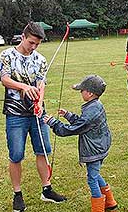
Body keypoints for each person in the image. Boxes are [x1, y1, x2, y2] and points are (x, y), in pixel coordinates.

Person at [0, 22, 66, 212]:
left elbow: (41, 84)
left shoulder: (40, 60)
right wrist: (24, 87)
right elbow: (5, 79)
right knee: (16, 154)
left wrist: (39, 102)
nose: (33, 47)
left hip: (37, 114)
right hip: (15, 114)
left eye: (37, 44)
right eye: (31, 43)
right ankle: (17, 194)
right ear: (23, 37)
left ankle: (47, 189)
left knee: (43, 151)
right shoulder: (7, 55)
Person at [43, 75, 118, 212]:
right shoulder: (94, 105)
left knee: (92, 178)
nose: (80, 92)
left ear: (89, 93)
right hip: (101, 145)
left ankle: (98, 208)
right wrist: (68, 115)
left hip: (95, 149)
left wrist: (53, 123)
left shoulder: (91, 111)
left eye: (81, 90)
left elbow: (74, 129)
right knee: (95, 174)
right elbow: (83, 123)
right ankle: (110, 202)